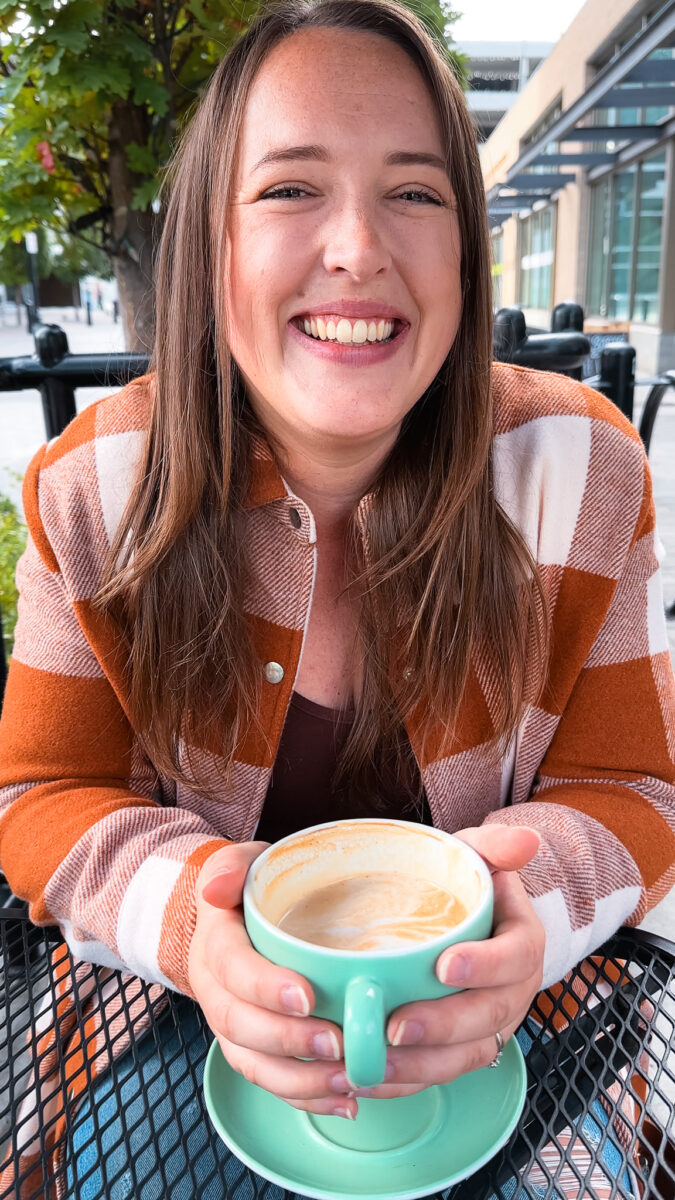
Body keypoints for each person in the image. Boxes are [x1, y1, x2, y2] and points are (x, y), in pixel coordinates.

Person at [0, 0, 673, 1182]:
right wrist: (192, 932)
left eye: (416, 193)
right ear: (213, 247)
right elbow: (41, 793)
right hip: (168, 1019)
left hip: (521, 1019)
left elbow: (632, 789)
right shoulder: (91, 491)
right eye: (291, 189)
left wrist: (533, 917)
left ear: (468, 249)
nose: (360, 246)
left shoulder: (586, 471)